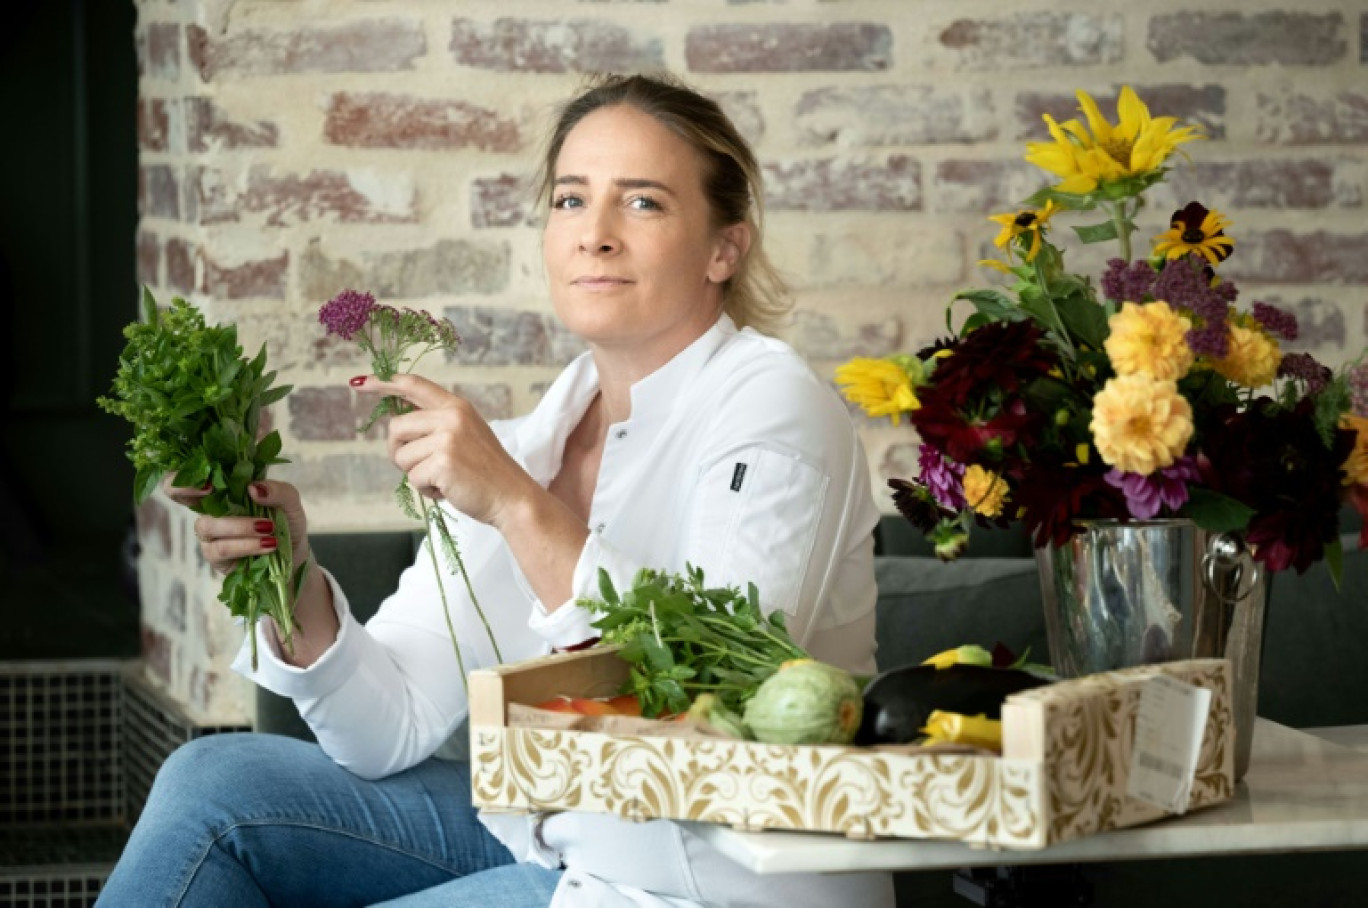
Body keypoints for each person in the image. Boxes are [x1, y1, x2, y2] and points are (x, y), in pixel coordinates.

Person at [98, 73, 893, 908]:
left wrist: (517, 505)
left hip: (698, 880)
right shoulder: (530, 444)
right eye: (571, 200)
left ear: (724, 247)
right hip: (551, 839)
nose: (596, 235)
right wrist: (288, 571)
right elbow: (388, 726)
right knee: (212, 782)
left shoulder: (772, 407)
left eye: (645, 203)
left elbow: (721, 698)